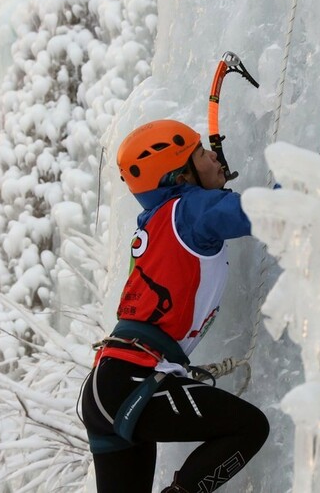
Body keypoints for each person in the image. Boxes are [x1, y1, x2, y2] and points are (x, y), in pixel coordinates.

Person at [78, 119, 270, 493]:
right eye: (200, 153)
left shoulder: (158, 221)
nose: (213, 155)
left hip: (109, 387)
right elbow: (263, 210)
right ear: (179, 177)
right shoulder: (189, 209)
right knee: (249, 427)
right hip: (136, 381)